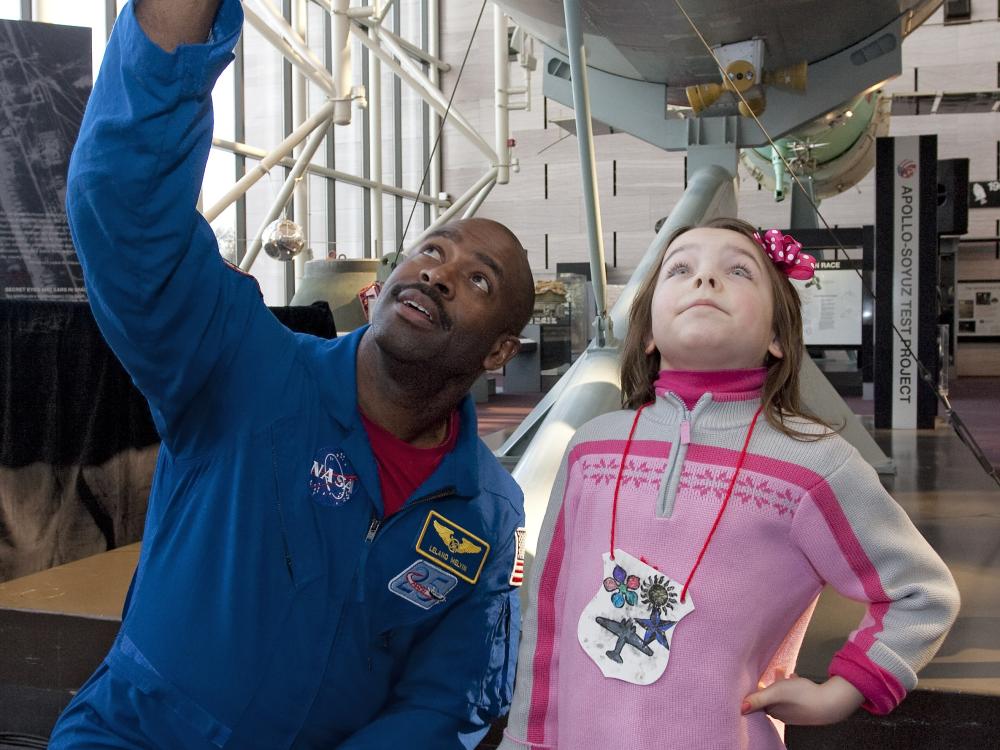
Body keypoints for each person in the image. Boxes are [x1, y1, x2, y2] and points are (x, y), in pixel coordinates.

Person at [48, 1, 535, 748]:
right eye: (431, 252)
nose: (439, 275)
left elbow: (447, 702)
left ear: (500, 351)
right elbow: (126, 208)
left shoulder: (484, 511)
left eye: (477, 280)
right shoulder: (244, 367)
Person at [499, 217, 960, 749]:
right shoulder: (591, 448)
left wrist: (843, 691)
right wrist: (525, 738)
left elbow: (921, 592)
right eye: (681, 268)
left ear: (777, 338)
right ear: (647, 332)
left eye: (738, 270)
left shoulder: (813, 464)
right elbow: (549, 607)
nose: (705, 280)